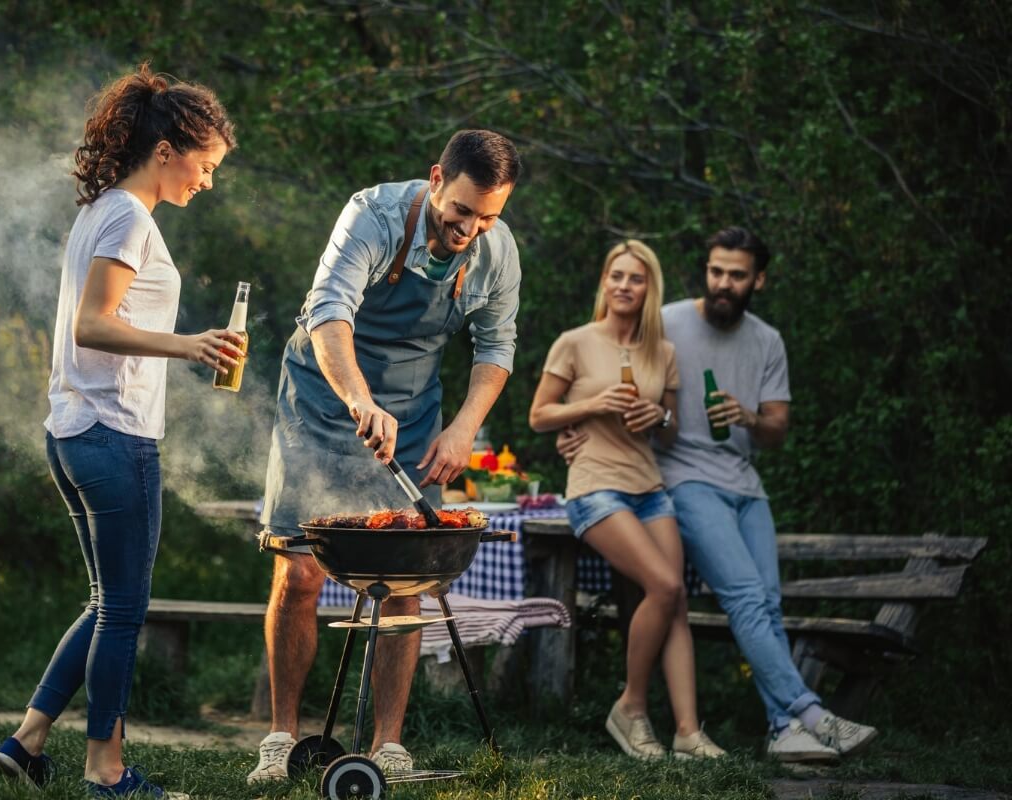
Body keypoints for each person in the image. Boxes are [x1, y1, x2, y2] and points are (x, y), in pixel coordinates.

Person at [0, 65, 244, 799]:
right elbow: (93, 323)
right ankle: (107, 772)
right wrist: (190, 344)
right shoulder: (129, 216)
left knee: (106, 603)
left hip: (73, 429)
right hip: (112, 434)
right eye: (207, 165)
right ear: (167, 150)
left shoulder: (103, 208)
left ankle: (27, 739)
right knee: (125, 609)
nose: (209, 180)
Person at [249, 130, 522, 783]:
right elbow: (328, 316)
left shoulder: (496, 251)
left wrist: (460, 429)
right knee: (301, 574)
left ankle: (389, 745)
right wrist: (359, 401)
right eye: (462, 211)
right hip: (320, 400)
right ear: (435, 179)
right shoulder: (369, 215)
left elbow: (496, 349)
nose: (471, 229)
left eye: (488, 217)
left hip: (416, 411)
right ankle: (282, 736)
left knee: (407, 576)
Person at [559, 227, 877, 762]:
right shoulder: (668, 322)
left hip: (746, 484)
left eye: (736, 274)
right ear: (706, 270)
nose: (723, 283)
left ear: (759, 279)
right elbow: (605, 358)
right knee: (746, 598)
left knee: (767, 604)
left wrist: (749, 416)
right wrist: (580, 431)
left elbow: (776, 430)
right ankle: (813, 713)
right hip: (684, 480)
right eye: (716, 271)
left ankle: (783, 728)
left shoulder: (767, 340)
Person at [529, 241, 726, 760]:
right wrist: (593, 405)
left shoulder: (662, 352)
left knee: (675, 600)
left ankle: (687, 732)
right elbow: (539, 415)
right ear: (604, 282)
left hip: (649, 486)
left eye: (635, 279)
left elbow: (670, 431)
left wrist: (655, 417)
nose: (623, 286)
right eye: (616, 276)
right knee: (662, 584)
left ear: (648, 289)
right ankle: (631, 707)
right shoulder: (574, 342)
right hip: (595, 486)